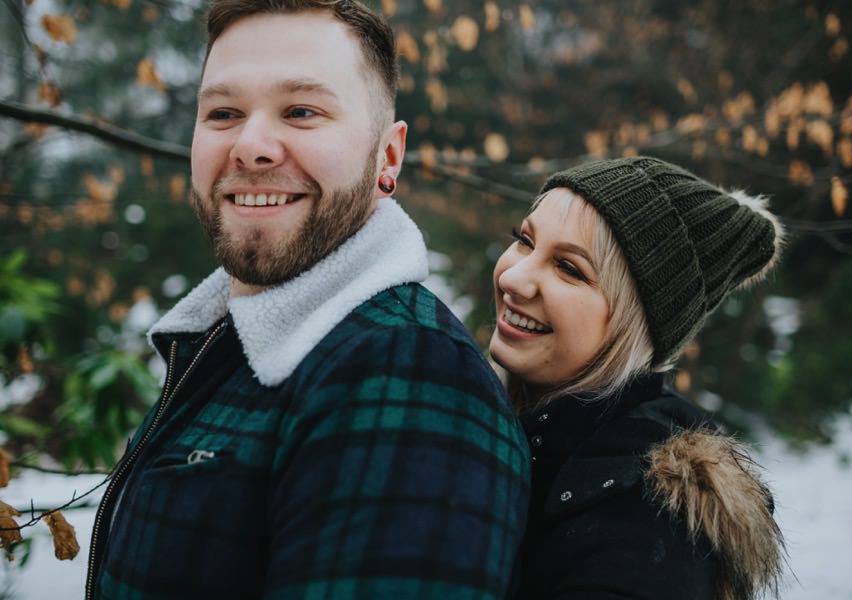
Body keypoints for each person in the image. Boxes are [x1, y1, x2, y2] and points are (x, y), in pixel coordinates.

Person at [85, 1, 530, 598]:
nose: (251, 146)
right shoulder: (225, 348)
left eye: (301, 111)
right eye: (223, 112)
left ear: (387, 156)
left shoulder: (407, 372)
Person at [491, 156, 787, 599]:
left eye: (569, 268)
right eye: (525, 240)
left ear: (635, 323)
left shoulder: (655, 529)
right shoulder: (477, 407)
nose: (515, 277)